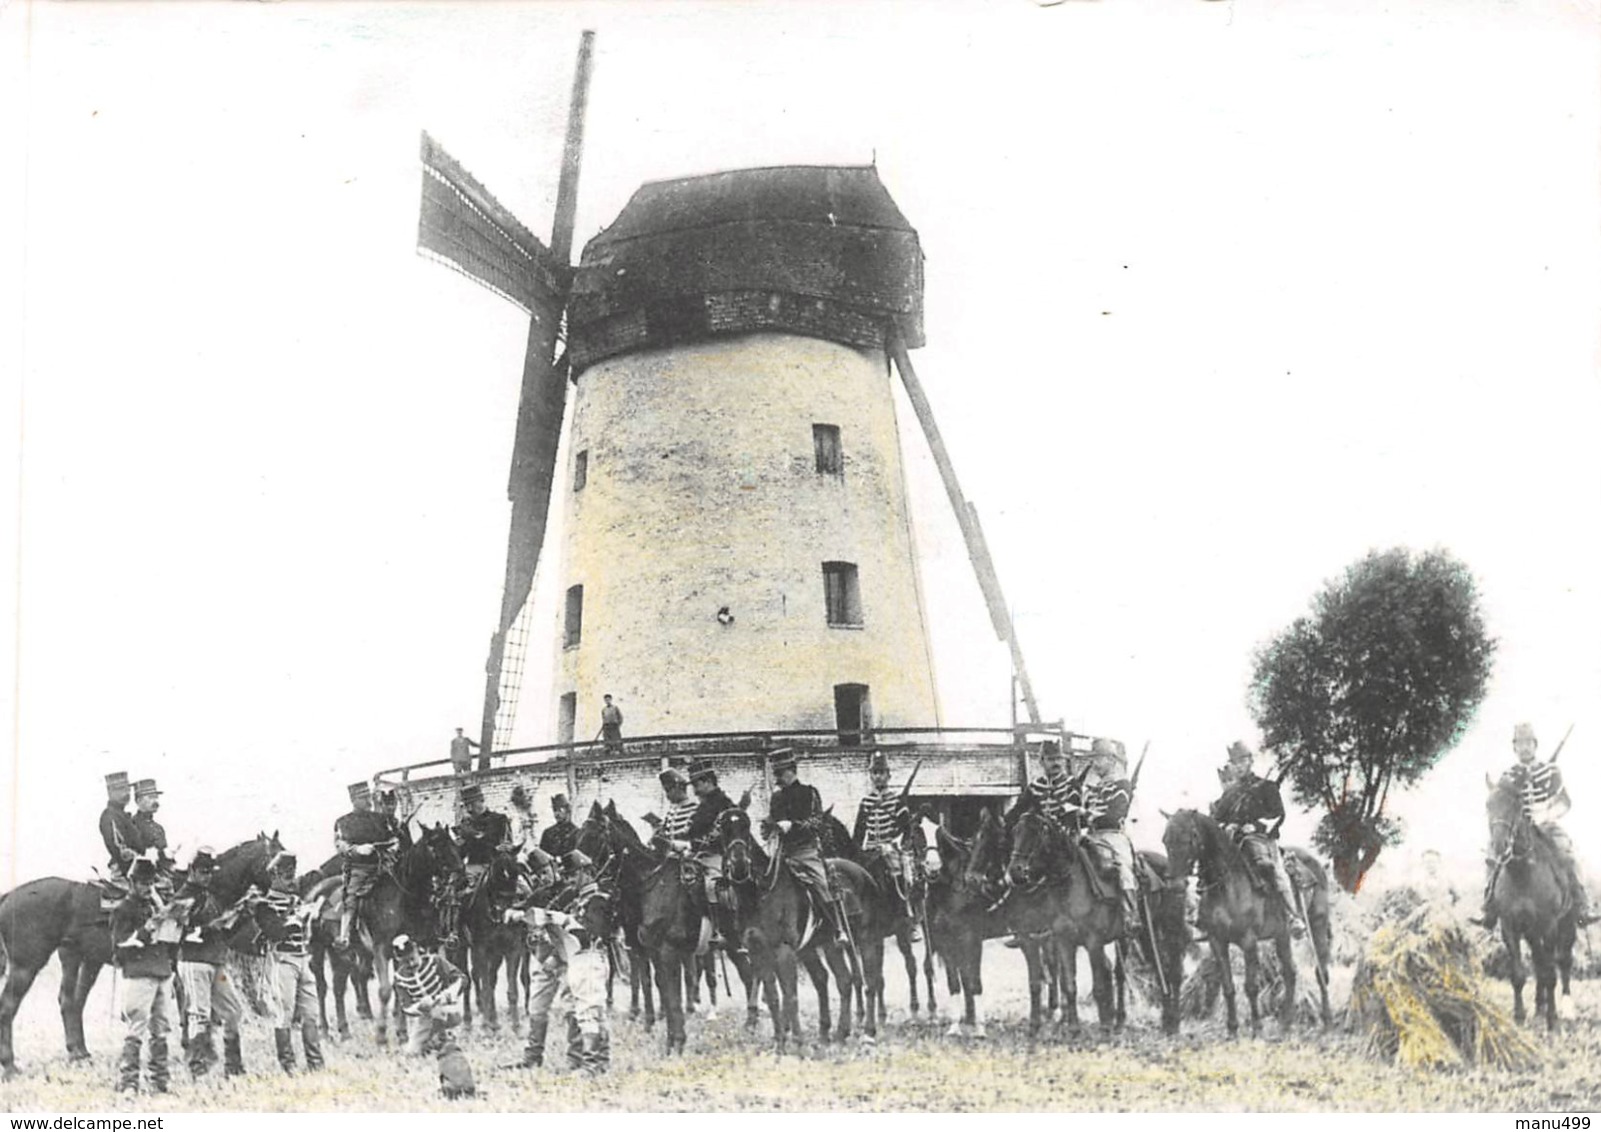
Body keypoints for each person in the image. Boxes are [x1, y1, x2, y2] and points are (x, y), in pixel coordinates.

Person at [1480, 722, 1591, 930]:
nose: (1524, 747)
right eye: (1520, 743)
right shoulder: (1509, 774)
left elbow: (1564, 802)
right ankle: (1489, 905)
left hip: (1547, 824)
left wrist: (1543, 814)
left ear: (1535, 745)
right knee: (1492, 853)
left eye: (1528, 743)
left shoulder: (1550, 771)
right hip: (1518, 829)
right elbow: (1502, 803)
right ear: (1514, 748)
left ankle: (1580, 903)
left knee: (1567, 853)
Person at [507, 885, 611, 1075]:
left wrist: (524, 916)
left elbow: (580, 932)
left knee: (587, 1012)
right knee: (589, 1012)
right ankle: (596, 1062)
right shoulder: (573, 901)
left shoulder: (590, 907)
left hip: (585, 959)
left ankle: (590, 1063)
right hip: (573, 957)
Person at [1210, 741, 1307, 938]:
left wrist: (1255, 827)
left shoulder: (1266, 787)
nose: (1237, 766)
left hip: (1263, 841)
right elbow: (1216, 821)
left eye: (1241, 761)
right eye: (1234, 763)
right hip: (1236, 845)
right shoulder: (1229, 795)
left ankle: (1292, 916)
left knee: (1275, 871)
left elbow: (1278, 815)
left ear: (1250, 761)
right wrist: (1226, 827)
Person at [763, 748, 848, 944]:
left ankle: (838, 927)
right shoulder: (776, 798)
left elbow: (817, 822)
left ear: (792, 771)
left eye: (780, 773)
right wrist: (768, 829)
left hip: (805, 850)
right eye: (775, 774)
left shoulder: (809, 793)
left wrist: (793, 825)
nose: (777, 779)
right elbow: (772, 820)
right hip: (781, 853)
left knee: (821, 883)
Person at [175, 847, 246, 1079]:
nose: (208, 876)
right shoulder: (183, 897)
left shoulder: (209, 896)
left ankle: (233, 1066)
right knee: (199, 1014)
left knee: (233, 1011)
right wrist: (208, 928)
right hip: (194, 961)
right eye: (203, 872)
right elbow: (176, 932)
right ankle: (198, 1066)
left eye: (210, 872)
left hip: (215, 961)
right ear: (192, 871)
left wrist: (238, 915)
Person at [111, 851, 179, 1094]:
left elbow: (169, 942)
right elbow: (119, 950)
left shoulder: (156, 904)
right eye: (143, 883)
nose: (148, 887)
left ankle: (159, 1081)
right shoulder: (123, 909)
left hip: (161, 971)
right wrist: (145, 931)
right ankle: (128, 1082)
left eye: (151, 883)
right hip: (139, 973)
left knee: (161, 1029)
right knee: (136, 1029)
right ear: (132, 882)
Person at [254, 853, 324, 1074]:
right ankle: (288, 1063)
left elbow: (308, 935)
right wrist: (294, 920)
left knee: (311, 1013)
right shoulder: (264, 905)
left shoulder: (297, 901)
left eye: (292, 876)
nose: (291, 881)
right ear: (274, 876)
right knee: (284, 1012)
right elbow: (274, 933)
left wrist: (308, 917)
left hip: (303, 959)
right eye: (286, 877)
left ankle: (315, 1062)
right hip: (282, 961)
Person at [852, 751, 920, 934]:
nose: (878, 776)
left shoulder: (896, 800)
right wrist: (856, 851)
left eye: (881, 772)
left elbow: (907, 831)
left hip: (891, 848)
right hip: (871, 848)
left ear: (888, 775)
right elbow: (859, 832)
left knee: (904, 877)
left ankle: (909, 919)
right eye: (875, 772)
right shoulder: (866, 801)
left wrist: (896, 844)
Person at [1080, 738, 1141, 929]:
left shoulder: (1122, 785)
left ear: (1111, 760)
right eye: (1093, 758)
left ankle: (1131, 915)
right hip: (1090, 836)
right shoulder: (1091, 789)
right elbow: (1083, 816)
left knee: (1123, 868)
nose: (1094, 763)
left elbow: (1115, 815)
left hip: (1112, 837)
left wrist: (1088, 816)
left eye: (1099, 758)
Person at [390, 934, 470, 1077]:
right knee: (411, 1052)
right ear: (399, 960)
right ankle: (433, 1040)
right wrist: (420, 1006)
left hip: (447, 1010)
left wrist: (449, 993)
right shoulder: (400, 978)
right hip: (424, 1018)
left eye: (413, 958)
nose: (411, 964)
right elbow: (406, 1007)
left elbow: (461, 978)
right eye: (405, 962)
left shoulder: (435, 961)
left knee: (441, 1015)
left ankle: (444, 1036)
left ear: (417, 950)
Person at [334, 780, 400, 951]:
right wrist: (357, 849)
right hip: (360, 869)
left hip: (385, 865)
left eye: (368, 797)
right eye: (363, 798)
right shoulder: (343, 822)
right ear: (353, 800)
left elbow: (394, 838)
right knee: (352, 898)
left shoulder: (381, 819)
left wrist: (392, 847)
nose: (368, 801)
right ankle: (344, 935)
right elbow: (340, 846)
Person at [454, 783, 512, 891]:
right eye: (466, 805)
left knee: (521, 889)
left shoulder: (499, 820)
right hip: (472, 868)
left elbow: (508, 845)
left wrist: (503, 848)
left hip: (496, 866)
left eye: (472, 804)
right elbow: (462, 852)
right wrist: (457, 846)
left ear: (481, 800)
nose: (469, 809)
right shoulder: (465, 825)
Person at [99, 771, 140, 879]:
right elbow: (118, 847)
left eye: (127, 789)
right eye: (120, 789)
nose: (126, 793)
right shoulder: (110, 815)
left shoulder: (124, 815)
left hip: (136, 868)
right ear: (110, 792)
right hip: (124, 870)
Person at [131, 779, 172, 882]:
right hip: (141, 878)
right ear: (138, 801)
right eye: (150, 797)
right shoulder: (131, 825)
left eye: (156, 797)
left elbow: (164, 858)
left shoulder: (159, 828)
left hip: (161, 876)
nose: (155, 801)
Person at [540, 794, 579, 860]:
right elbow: (542, 857)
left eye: (560, 810)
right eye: (555, 810)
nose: (556, 814)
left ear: (567, 811)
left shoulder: (576, 833)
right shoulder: (548, 833)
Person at [509, 783, 540, 857]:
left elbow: (532, 833)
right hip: (522, 851)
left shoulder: (527, 813)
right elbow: (516, 839)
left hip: (531, 847)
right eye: (525, 797)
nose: (528, 799)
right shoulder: (515, 818)